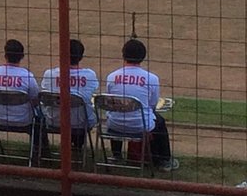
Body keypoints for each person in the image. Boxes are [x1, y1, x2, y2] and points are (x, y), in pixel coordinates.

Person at [104, 39, 178, 170]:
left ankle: (116, 155)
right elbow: (153, 105)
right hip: (140, 126)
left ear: (123, 55)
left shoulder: (111, 76)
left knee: (115, 112)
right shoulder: (152, 78)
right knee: (159, 120)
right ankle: (164, 160)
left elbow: (111, 103)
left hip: (114, 124)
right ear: (143, 57)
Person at [41, 38, 99, 150]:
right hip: (81, 122)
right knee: (82, 108)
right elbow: (91, 93)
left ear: (61, 54)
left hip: (53, 120)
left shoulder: (49, 74)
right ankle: (77, 147)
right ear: (81, 57)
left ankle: (42, 149)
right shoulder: (90, 75)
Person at [0, 39, 41, 140]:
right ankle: (41, 150)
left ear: (5, 55)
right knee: (40, 116)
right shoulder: (27, 76)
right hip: (23, 119)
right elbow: (36, 101)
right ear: (22, 56)